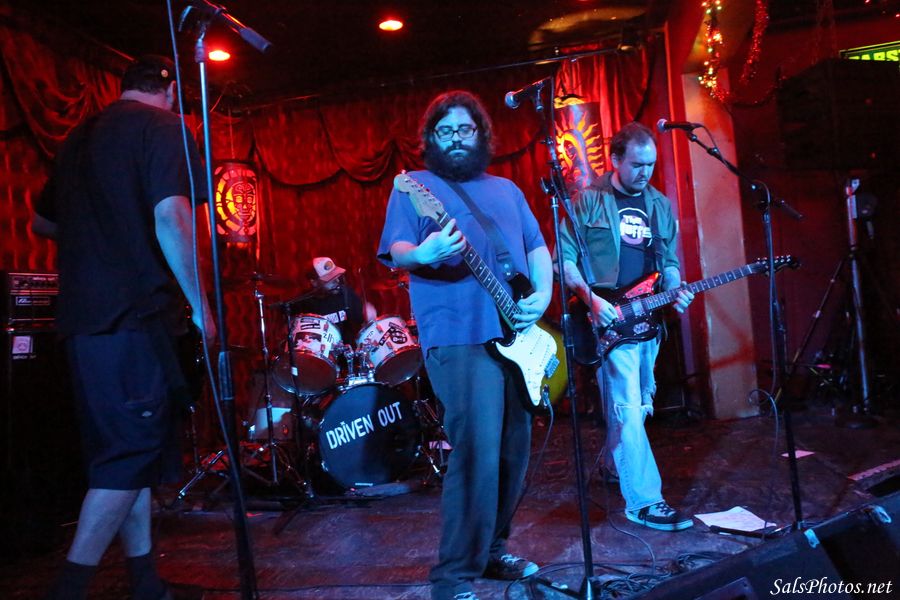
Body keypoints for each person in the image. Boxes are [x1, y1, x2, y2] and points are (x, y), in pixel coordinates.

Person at [32, 55, 215, 599]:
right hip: (132, 318)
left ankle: (145, 583)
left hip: (82, 322)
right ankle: (67, 591)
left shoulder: (79, 136)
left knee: (127, 456)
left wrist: (98, 238)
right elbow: (172, 216)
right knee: (128, 455)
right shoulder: (164, 127)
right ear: (172, 91)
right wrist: (201, 306)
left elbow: (41, 221)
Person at [377, 90, 552, 600]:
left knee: (513, 449)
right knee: (476, 451)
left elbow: (538, 248)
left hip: (515, 335)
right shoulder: (415, 187)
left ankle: (492, 551)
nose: (456, 138)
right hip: (457, 335)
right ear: (430, 139)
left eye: (465, 129)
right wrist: (425, 252)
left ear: (481, 135)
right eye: (445, 131)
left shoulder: (507, 189)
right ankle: (451, 576)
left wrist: (543, 295)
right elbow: (399, 249)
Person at [558, 121, 694, 531]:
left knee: (637, 404)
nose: (645, 172)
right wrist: (591, 299)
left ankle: (612, 465)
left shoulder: (659, 204)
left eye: (650, 165)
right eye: (637, 164)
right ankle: (644, 501)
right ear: (616, 159)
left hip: (648, 319)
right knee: (628, 407)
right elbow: (564, 260)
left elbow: (669, 262)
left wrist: (676, 288)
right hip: (607, 320)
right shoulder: (587, 201)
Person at [288, 256, 377, 345]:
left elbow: (361, 325)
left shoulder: (346, 293)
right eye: (330, 279)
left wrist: (369, 318)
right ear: (314, 282)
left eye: (336, 276)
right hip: (322, 350)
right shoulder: (302, 303)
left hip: (350, 349)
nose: (337, 281)